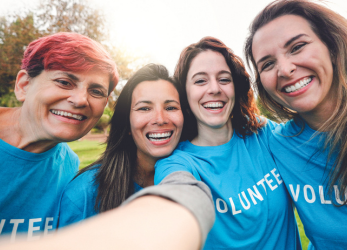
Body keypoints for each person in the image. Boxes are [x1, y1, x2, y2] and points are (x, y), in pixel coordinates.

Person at [244, 0, 347, 249]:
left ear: (333, 47)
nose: (284, 69)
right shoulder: (277, 143)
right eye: (268, 64)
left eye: (297, 47)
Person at [154, 37, 301, 249]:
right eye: (200, 81)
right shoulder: (177, 164)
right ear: (184, 94)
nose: (214, 89)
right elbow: (175, 194)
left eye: (224, 79)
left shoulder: (261, 131)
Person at [0, 32, 119, 240]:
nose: (81, 100)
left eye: (97, 91)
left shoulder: (69, 166)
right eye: (64, 82)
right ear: (23, 85)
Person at [57, 64, 184, 226]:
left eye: (171, 107)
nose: (160, 119)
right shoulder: (83, 194)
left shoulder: (200, 179)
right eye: (145, 108)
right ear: (127, 123)